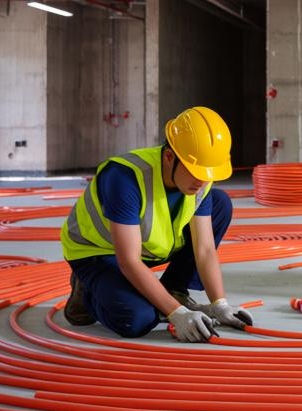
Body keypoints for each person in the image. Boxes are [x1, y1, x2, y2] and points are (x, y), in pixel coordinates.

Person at [59, 106, 253, 342]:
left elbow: (204, 249)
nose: (202, 181)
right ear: (169, 157)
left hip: (146, 249)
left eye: (207, 173)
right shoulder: (124, 177)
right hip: (99, 253)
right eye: (195, 172)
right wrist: (176, 313)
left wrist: (219, 304)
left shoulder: (201, 178)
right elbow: (129, 261)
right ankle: (88, 293)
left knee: (219, 203)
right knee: (137, 320)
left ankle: (174, 290)